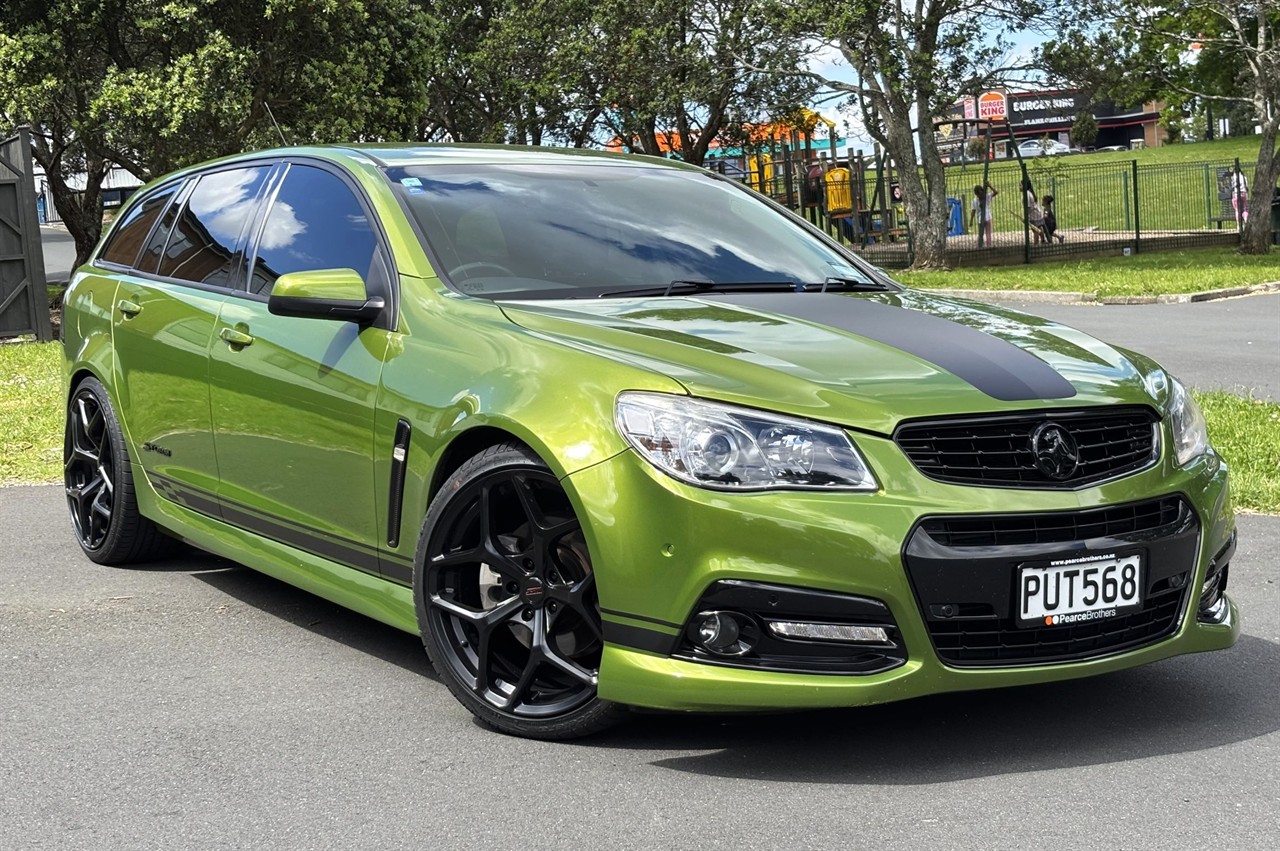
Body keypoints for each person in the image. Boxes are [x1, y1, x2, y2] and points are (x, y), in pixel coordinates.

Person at [969, 182, 997, 246]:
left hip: (981, 219)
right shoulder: (986, 197)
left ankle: (981, 245)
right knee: (987, 233)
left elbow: (973, 211)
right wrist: (990, 186)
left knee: (981, 233)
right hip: (987, 218)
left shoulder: (975, 200)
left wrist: (971, 221)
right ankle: (987, 245)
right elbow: (995, 192)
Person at [1023, 178, 1045, 243]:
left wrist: (1026, 217)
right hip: (1038, 213)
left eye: (1020, 185)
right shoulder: (1030, 192)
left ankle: (1036, 244)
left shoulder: (1026, 194)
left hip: (1033, 215)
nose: (1019, 187)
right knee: (1039, 227)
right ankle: (1043, 240)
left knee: (1035, 230)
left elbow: (1028, 207)